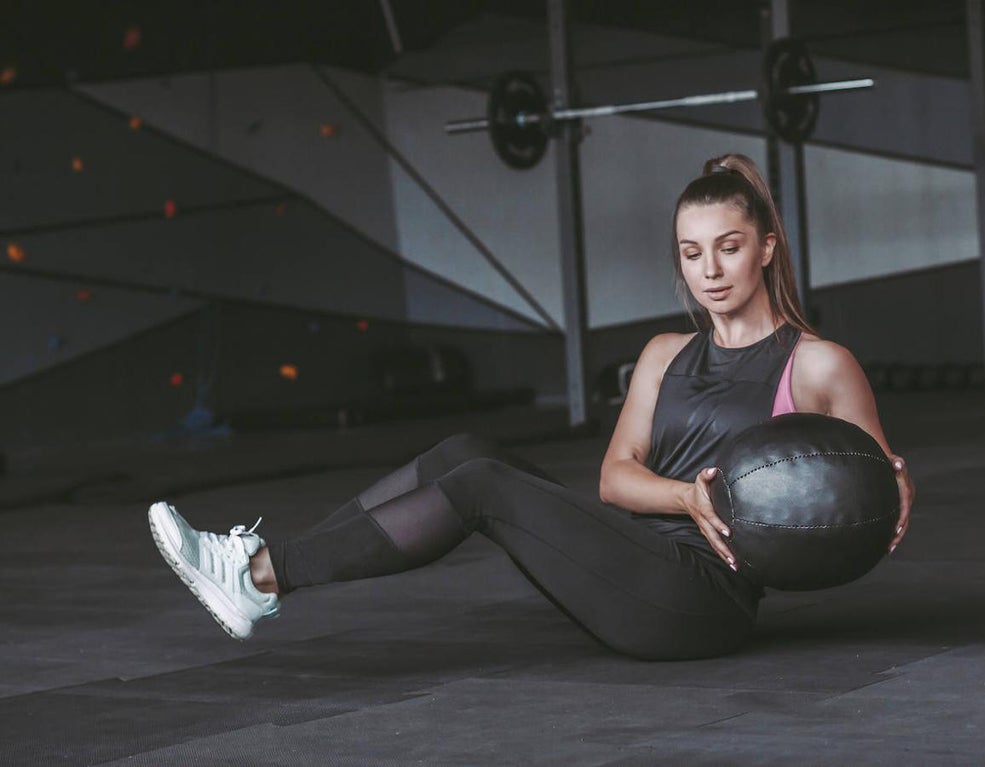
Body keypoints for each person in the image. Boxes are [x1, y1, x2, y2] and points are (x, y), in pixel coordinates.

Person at [148, 153, 914, 662]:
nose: (709, 269)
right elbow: (614, 479)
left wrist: (895, 486)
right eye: (691, 251)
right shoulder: (661, 355)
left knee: (480, 483)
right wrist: (685, 494)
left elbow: (870, 488)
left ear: (767, 248)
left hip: (699, 599)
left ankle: (258, 575)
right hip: (627, 553)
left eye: (729, 246)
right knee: (463, 450)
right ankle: (258, 575)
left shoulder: (815, 362)